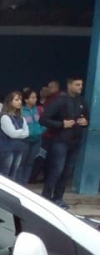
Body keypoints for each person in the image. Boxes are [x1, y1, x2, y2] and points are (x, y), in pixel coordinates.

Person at [40, 76, 90, 208]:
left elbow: (86, 119)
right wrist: (61, 124)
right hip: (60, 141)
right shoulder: (59, 101)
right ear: (69, 85)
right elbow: (43, 119)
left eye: (81, 85)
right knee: (57, 170)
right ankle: (45, 197)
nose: (80, 87)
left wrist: (85, 122)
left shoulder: (82, 101)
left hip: (75, 142)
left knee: (67, 171)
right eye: (77, 85)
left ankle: (58, 198)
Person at [0, 91, 29, 182]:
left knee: (13, 174)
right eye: (17, 100)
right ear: (10, 102)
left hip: (18, 148)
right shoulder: (5, 117)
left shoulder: (22, 117)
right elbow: (12, 134)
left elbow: (27, 133)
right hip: (7, 149)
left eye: (20, 100)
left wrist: (19, 132)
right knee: (4, 173)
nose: (20, 102)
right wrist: (21, 132)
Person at [20, 88, 45, 184]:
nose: (35, 99)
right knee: (22, 162)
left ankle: (25, 183)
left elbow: (44, 121)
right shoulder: (21, 110)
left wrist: (41, 130)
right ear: (26, 99)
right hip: (25, 140)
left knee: (30, 162)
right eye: (32, 97)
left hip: (37, 139)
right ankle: (19, 183)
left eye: (35, 97)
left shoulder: (39, 109)